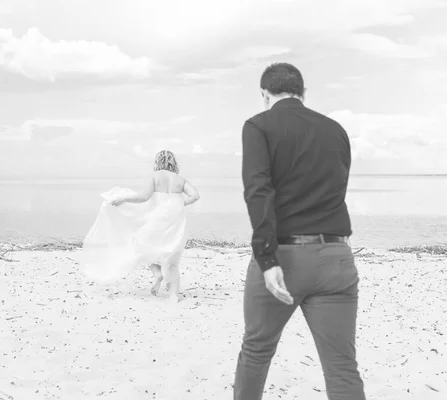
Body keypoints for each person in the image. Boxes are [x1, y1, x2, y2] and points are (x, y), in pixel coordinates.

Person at [233, 63, 366, 399]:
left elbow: (258, 191)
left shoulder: (258, 126)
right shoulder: (335, 130)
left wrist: (266, 258)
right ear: (302, 93)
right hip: (335, 256)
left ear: (264, 94)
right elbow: (337, 188)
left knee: (256, 351)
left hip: (285, 255)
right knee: (341, 366)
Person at [79, 150, 200, 303]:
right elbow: (195, 196)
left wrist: (123, 198)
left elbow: (143, 197)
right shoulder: (180, 180)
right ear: (173, 162)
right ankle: (174, 296)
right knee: (172, 260)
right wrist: (180, 203)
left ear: (158, 161)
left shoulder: (155, 176)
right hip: (177, 220)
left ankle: (157, 274)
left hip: (159, 218)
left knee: (140, 244)